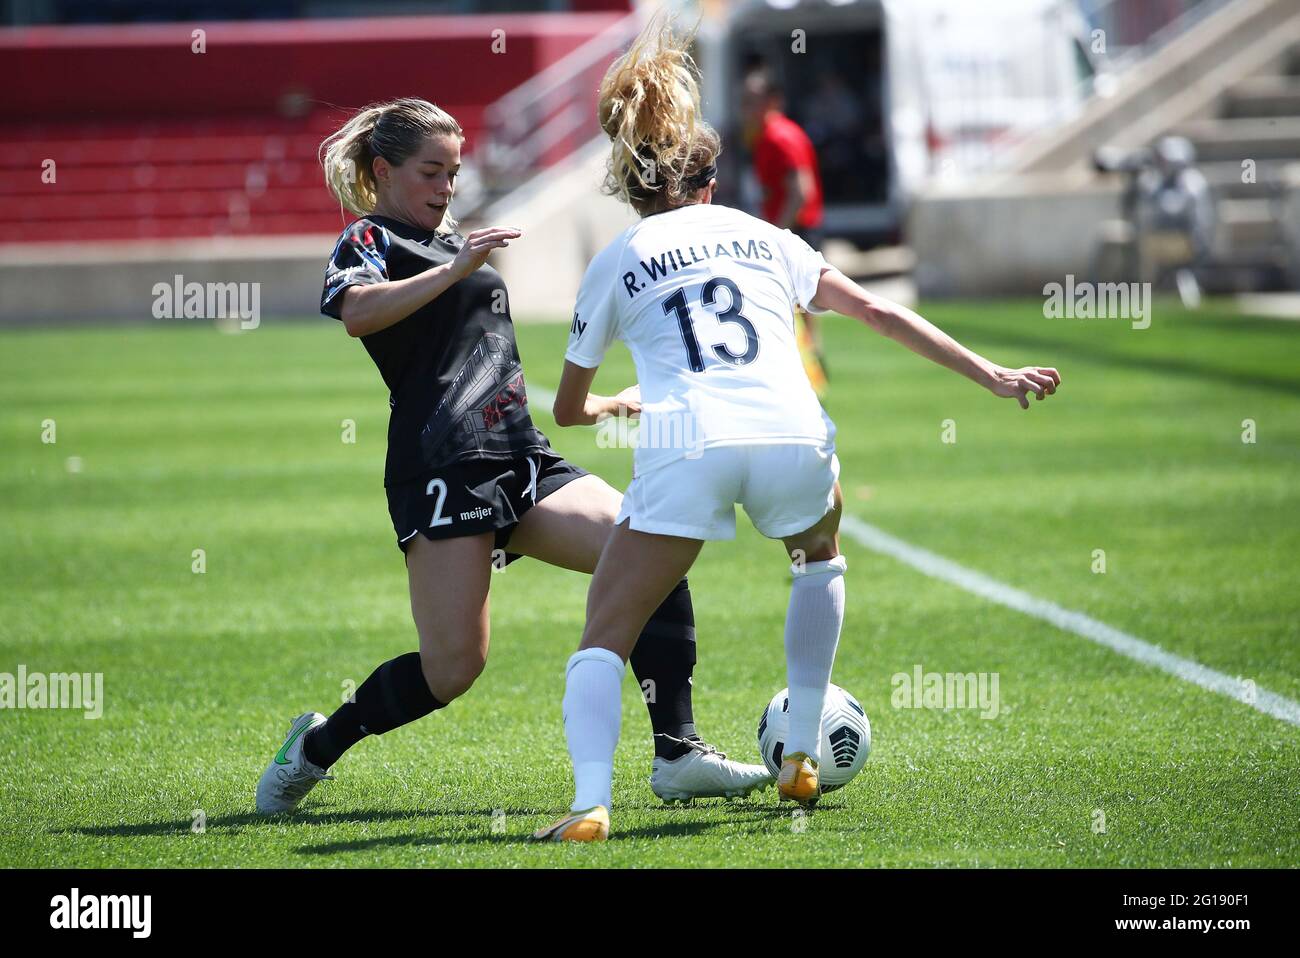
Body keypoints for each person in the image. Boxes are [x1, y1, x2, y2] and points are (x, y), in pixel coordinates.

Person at [534, 22, 1060, 842]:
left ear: (628, 183)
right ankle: (801, 756)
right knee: (820, 555)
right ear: (710, 182)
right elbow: (879, 311)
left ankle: (591, 805)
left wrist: (612, 406)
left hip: (687, 442)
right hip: (789, 428)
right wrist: (990, 374)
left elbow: (567, 409)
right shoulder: (767, 237)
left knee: (606, 633)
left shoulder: (617, 258)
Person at [254, 97, 770, 815]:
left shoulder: (454, 238)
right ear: (383, 170)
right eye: (431, 172)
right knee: (453, 669)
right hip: (441, 467)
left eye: (453, 172)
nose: (446, 187)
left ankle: (677, 751)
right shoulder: (369, 240)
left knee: (651, 544)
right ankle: (316, 746)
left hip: (520, 454)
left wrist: (599, 404)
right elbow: (357, 314)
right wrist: (453, 269)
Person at [742, 68, 830, 396]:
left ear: (772, 101)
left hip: (798, 228)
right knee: (798, 303)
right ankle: (809, 367)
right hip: (792, 227)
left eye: (753, 100)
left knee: (799, 301)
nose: (746, 108)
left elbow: (800, 189)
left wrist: (778, 232)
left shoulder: (781, 136)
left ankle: (810, 369)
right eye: (744, 101)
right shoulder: (764, 136)